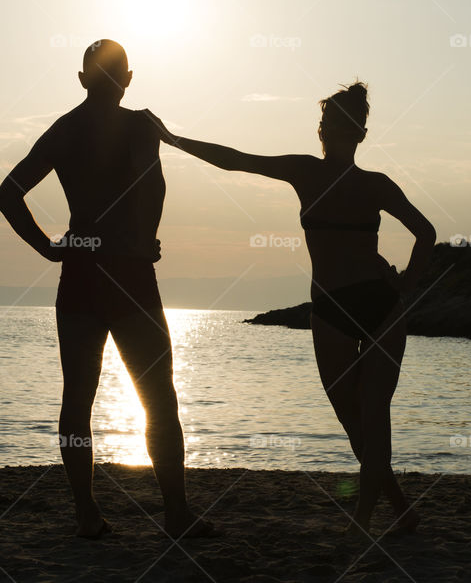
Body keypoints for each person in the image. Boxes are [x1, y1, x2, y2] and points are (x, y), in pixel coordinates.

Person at [147, 82, 435, 537]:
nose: (328, 133)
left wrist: (405, 287)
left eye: (333, 126)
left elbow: (426, 232)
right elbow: (238, 160)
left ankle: (361, 521)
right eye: (328, 126)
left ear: (348, 133)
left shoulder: (351, 180)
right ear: (336, 132)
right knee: (361, 421)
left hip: (366, 306)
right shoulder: (326, 176)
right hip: (348, 306)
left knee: (369, 418)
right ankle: (402, 511)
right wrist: (175, 139)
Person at [0, 39, 212, 539]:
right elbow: (150, 182)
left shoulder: (67, 130)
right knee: (156, 397)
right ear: (128, 78)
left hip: (86, 271)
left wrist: (52, 248)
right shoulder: (140, 124)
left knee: (82, 398)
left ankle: (89, 514)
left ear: (82, 78)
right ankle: (170, 514)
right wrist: (140, 238)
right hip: (125, 273)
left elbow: (8, 193)